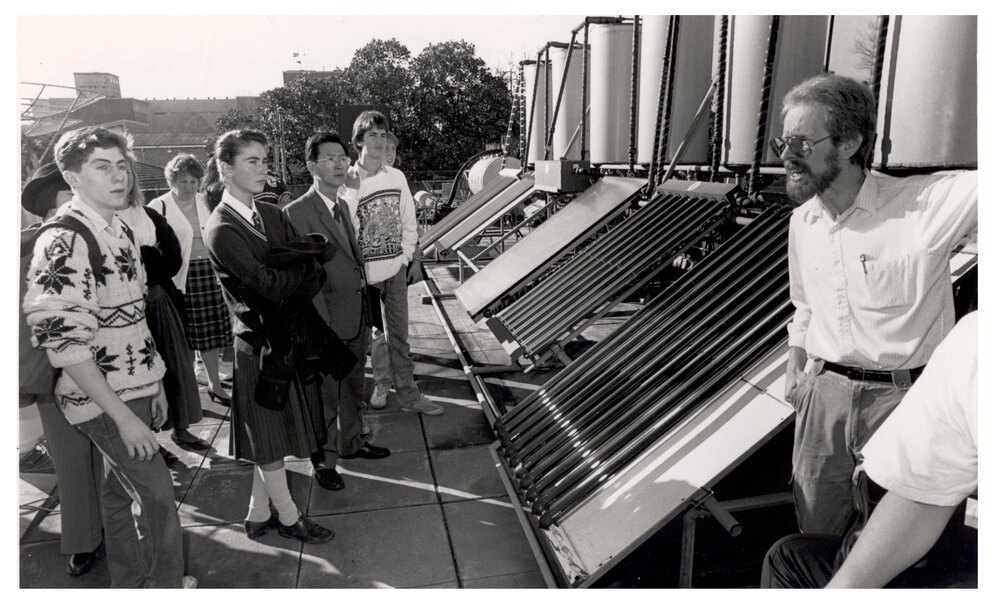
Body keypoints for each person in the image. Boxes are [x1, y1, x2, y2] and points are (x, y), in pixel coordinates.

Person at [778, 73, 977, 535]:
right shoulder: (802, 221)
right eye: (782, 142)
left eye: (802, 143)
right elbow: (803, 304)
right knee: (816, 532)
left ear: (849, 144)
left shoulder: (921, 207)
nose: (787, 156)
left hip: (905, 401)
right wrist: (795, 360)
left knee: (895, 544)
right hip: (822, 398)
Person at [23, 126, 194, 588]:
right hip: (102, 399)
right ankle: (164, 586)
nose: (119, 177)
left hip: (134, 388)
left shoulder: (116, 225)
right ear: (71, 175)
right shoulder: (64, 240)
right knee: (159, 499)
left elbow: (133, 317)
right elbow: (64, 343)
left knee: (118, 498)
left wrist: (154, 384)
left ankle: (130, 582)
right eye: (103, 167)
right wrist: (123, 418)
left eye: (122, 165)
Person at [762, 311, 978, 588]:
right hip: (825, 380)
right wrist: (797, 352)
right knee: (796, 550)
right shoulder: (974, 342)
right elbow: (925, 494)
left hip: (898, 383)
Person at [204, 128, 335, 544]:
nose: (264, 169)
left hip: (285, 338)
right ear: (226, 169)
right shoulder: (222, 228)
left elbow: (314, 267)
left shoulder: (271, 213)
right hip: (258, 346)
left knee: (271, 437)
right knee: (269, 438)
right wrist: (300, 271)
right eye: (252, 161)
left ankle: (257, 513)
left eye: (265, 159)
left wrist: (296, 271)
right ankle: (290, 517)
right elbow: (272, 285)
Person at [285, 131, 392, 480]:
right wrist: (323, 324)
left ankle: (351, 443)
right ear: (312, 165)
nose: (339, 163)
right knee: (325, 396)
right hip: (326, 322)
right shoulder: (297, 213)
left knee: (352, 387)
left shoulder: (343, 205)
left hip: (355, 316)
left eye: (342, 158)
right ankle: (325, 462)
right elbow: (304, 277)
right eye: (329, 158)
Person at [19, 163, 105, 577]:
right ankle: (84, 539)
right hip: (54, 374)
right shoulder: (24, 250)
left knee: (114, 460)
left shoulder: (103, 238)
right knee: (72, 464)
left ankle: (118, 528)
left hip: (108, 368)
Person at [342, 111, 443, 416]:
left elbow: (408, 221)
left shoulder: (396, 177)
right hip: (365, 277)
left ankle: (410, 397)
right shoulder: (347, 179)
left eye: (383, 135)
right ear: (359, 141)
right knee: (365, 341)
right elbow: (345, 225)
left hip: (394, 271)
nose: (379, 141)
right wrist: (354, 188)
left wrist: (405, 259)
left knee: (400, 339)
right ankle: (365, 397)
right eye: (372, 135)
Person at [119, 158, 208, 452]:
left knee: (174, 366)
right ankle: (150, 444)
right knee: (136, 372)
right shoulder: (102, 219)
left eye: (126, 172)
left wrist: (145, 256)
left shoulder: (147, 215)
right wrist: (146, 254)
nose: (121, 180)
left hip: (159, 300)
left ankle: (180, 430)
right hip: (122, 309)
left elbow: (171, 261)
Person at [150, 154, 232, 407]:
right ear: (172, 181)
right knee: (184, 335)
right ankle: (189, 388)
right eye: (183, 181)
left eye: (194, 181)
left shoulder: (206, 201)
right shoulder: (158, 206)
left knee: (210, 332)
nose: (189, 186)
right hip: (178, 277)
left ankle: (213, 383)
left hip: (211, 271)